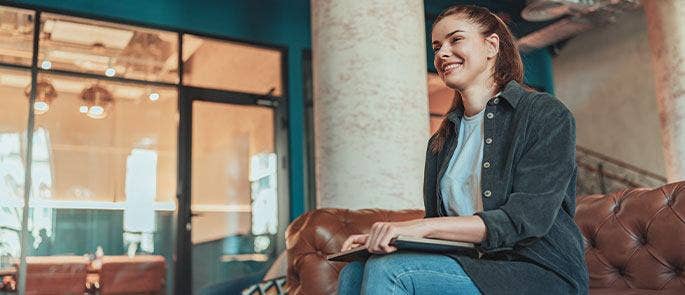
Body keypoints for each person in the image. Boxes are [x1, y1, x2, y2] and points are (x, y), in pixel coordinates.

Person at [337, 5, 588, 295]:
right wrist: (381, 239)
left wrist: (418, 228)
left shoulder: (544, 114)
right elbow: (440, 231)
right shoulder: (441, 142)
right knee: (354, 270)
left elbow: (524, 219)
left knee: (392, 272)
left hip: (539, 272)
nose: (442, 53)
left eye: (455, 40)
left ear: (491, 46)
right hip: (471, 265)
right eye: (437, 46)